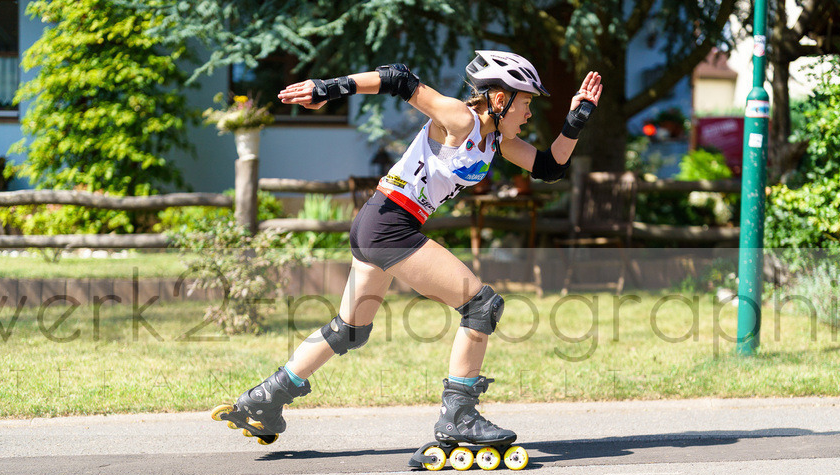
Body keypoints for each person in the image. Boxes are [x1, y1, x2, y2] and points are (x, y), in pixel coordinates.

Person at [217, 51, 602, 449]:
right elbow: (398, 78)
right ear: (500, 98)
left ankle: (264, 400)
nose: (529, 112)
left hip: (380, 222)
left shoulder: (496, 141)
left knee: (349, 331)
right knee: (481, 306)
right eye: (526, 101)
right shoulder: (460, 118)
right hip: (390, 224)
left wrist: (578, 117)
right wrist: (326, 89)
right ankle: (459, 417)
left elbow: (550, 167)